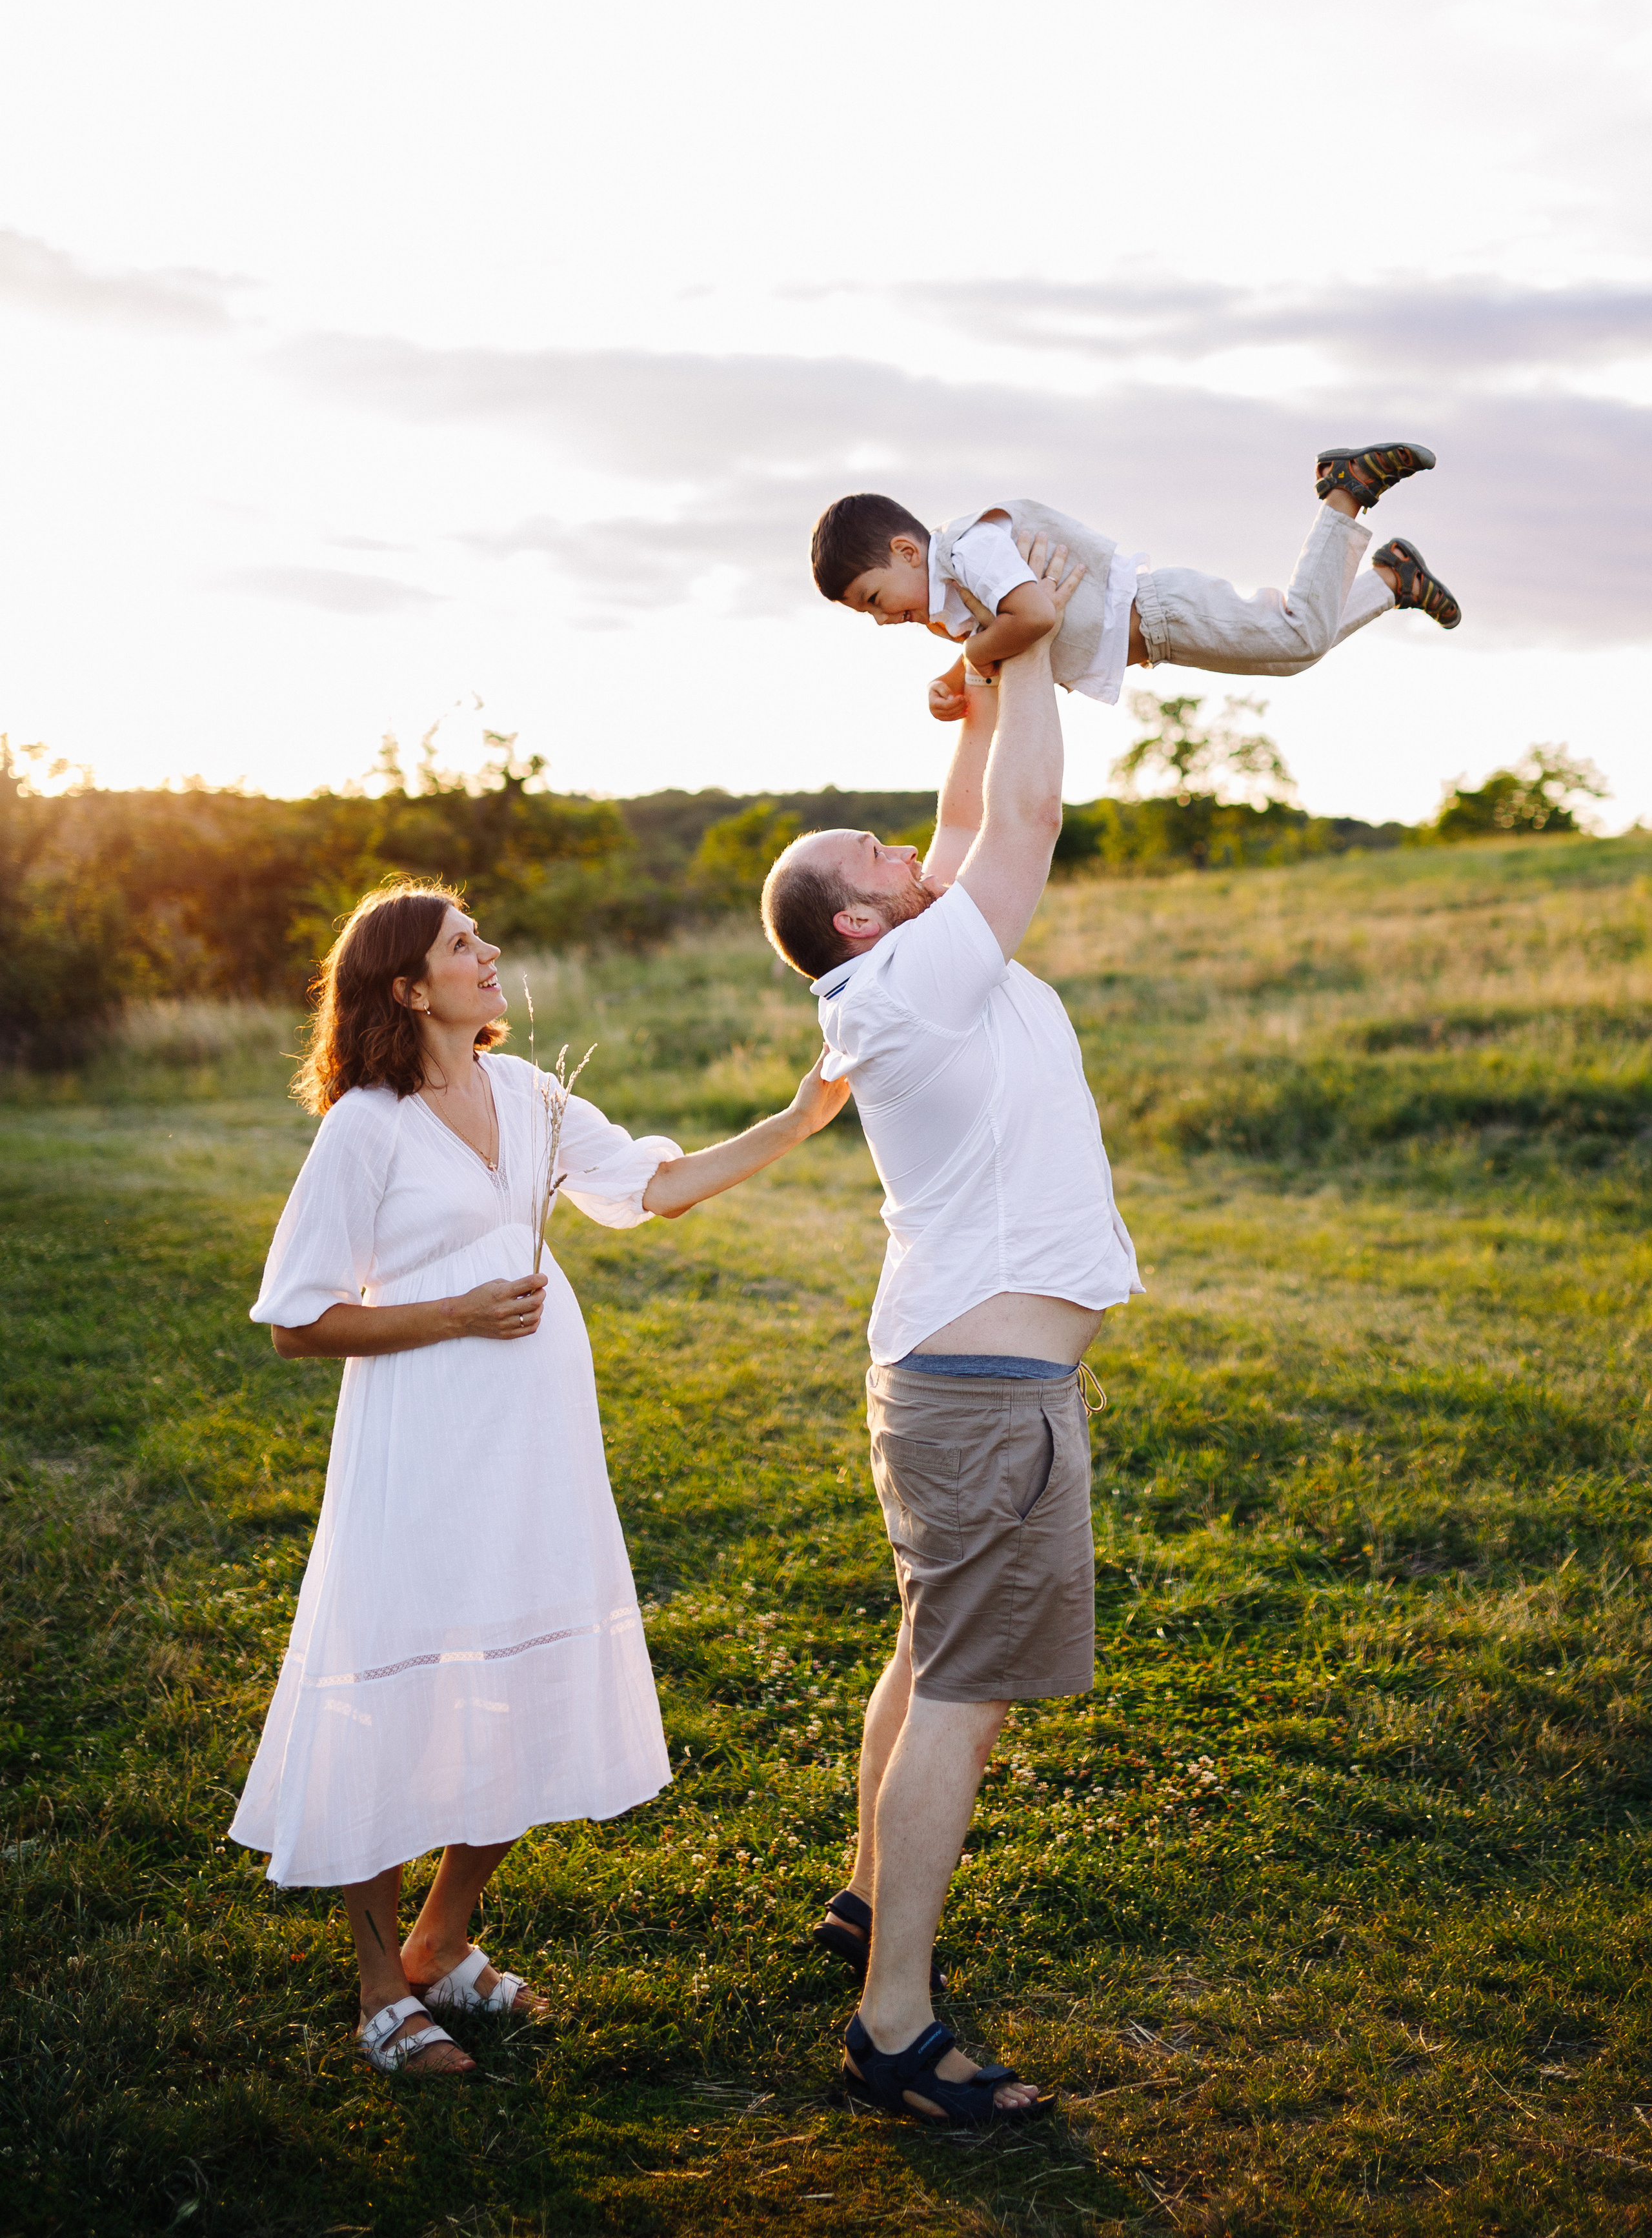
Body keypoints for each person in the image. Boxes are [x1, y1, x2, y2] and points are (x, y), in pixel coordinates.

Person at [231, 880, 847, 2077]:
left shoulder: (530, 1092)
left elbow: (650, 1188)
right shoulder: (365, 1124)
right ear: (409, 988)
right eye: (465, 945)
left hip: (537, 1443)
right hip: (422, 1445)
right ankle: (377, 1993)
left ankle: (441, 1942)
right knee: (396, 1690)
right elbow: (297, 1323)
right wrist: (456, 1311)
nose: (490, 950)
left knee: (520, 1676)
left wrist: (799, 1118)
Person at [760, 543, 1134, 2128]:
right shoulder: (913, 976)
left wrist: (976, 686)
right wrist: (1027, 647)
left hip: (959, 1375)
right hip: (981, 1393)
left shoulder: (904, 966)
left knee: (927, 1649)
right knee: (962, 1690)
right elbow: (1021, 826)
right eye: (872, 845)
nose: (902, 839)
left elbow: (970, 815)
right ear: (857, 913)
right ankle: (893, 2025)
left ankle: (862, 1898)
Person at [810, 442, 1457, 724]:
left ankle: (1344, 493)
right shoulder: (954, 597)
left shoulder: (967, 547)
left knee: (1296, 639)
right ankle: (1391, 581)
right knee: (1295, 650)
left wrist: (973, 658)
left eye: (873, 598)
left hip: (1158, 610)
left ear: (905, 551)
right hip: (1159, 634)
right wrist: (947, 686)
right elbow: (1007, 635)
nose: (881, 619)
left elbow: (1033, 617)